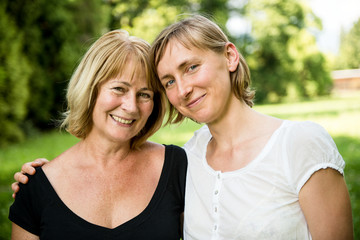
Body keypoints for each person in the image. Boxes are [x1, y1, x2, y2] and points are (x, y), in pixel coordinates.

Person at [12, 15, 353, 239]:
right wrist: (41, 182)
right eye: (169, 81)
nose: (183, 89)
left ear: (231, 57)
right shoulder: (191, 158)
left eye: (191, 67)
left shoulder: (298, 143)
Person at [8, 29, 187, 240]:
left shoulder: (177, 167)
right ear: (90, 90)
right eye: (119, 88)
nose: (131, 107)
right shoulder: (37, 186)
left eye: (144, 94)